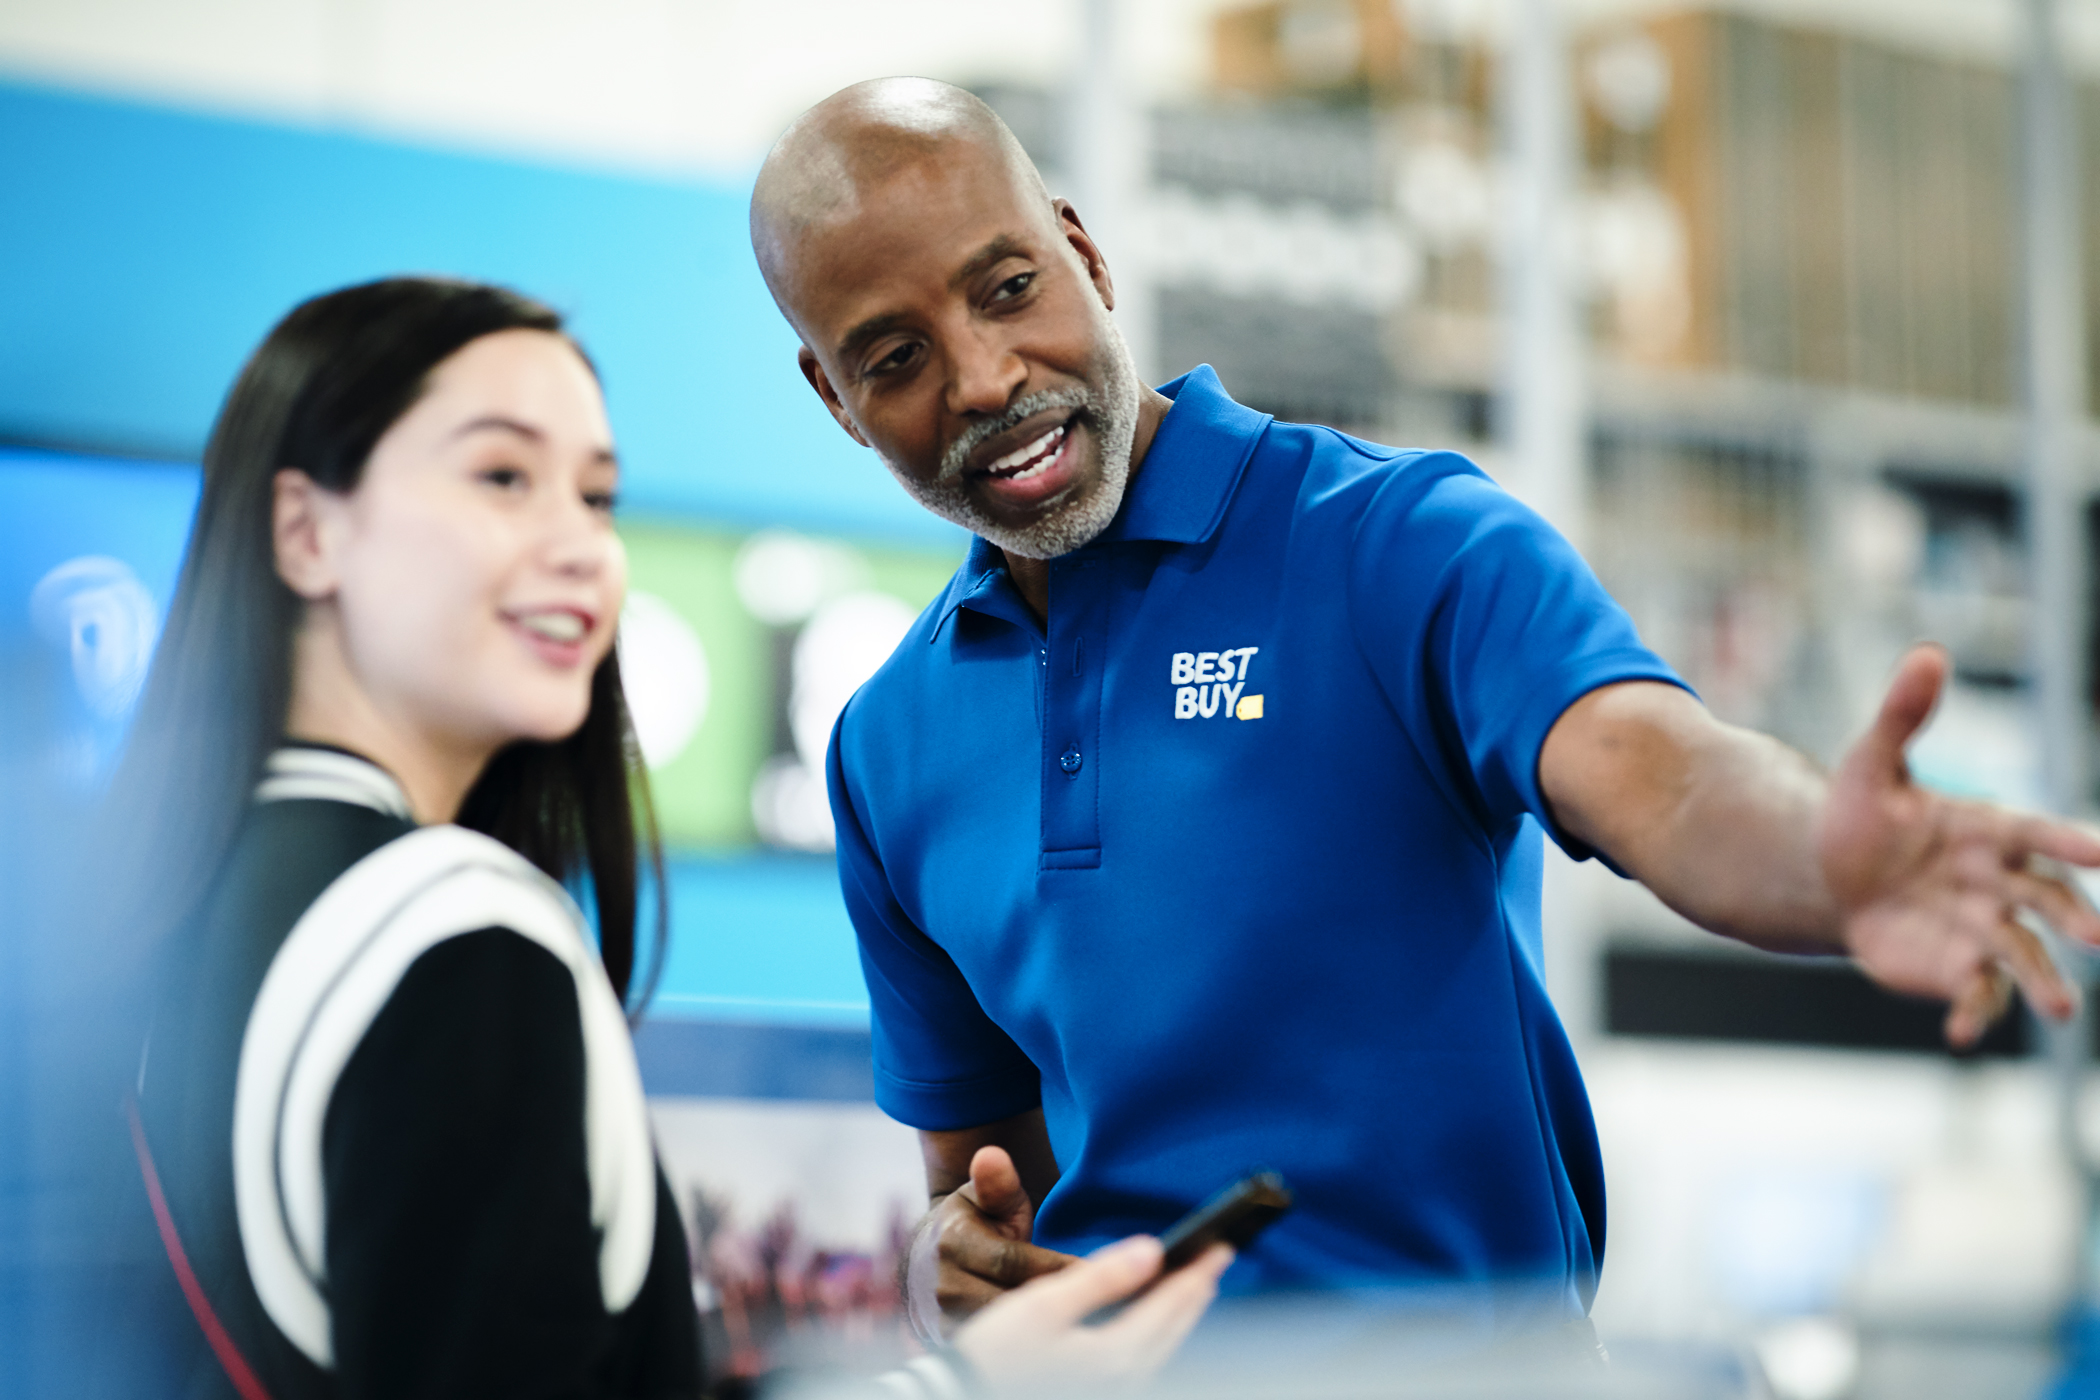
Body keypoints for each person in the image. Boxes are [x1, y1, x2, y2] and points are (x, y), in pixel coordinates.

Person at [745, 77, 2100, 1339]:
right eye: (895, 359)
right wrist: (945, 1260)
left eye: (1008, 287)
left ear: (1087, 257)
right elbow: (986, 1187)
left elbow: (1659, 771)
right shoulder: (886, 750)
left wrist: (1823, 859)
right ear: (837, 402)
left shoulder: (1393, 544)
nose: (984, 380)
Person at [105, 276, 1227, 1400]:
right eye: (503, 476)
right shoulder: (451, 933)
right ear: (306, 530)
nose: (580, 549)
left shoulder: (182, 912)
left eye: (595, 497)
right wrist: (972, 1387)